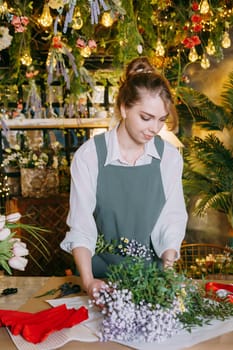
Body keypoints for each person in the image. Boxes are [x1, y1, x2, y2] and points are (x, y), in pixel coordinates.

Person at [60, 57, 188, 298]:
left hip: (151, 280)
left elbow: (171, 219)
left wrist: (168, 274)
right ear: (123, 109)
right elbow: (81, 224)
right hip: (99, 277)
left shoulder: (169, 158)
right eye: (146, 117)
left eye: (161, 120)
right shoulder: (89, 156)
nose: (155, 128)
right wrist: (89, 282)